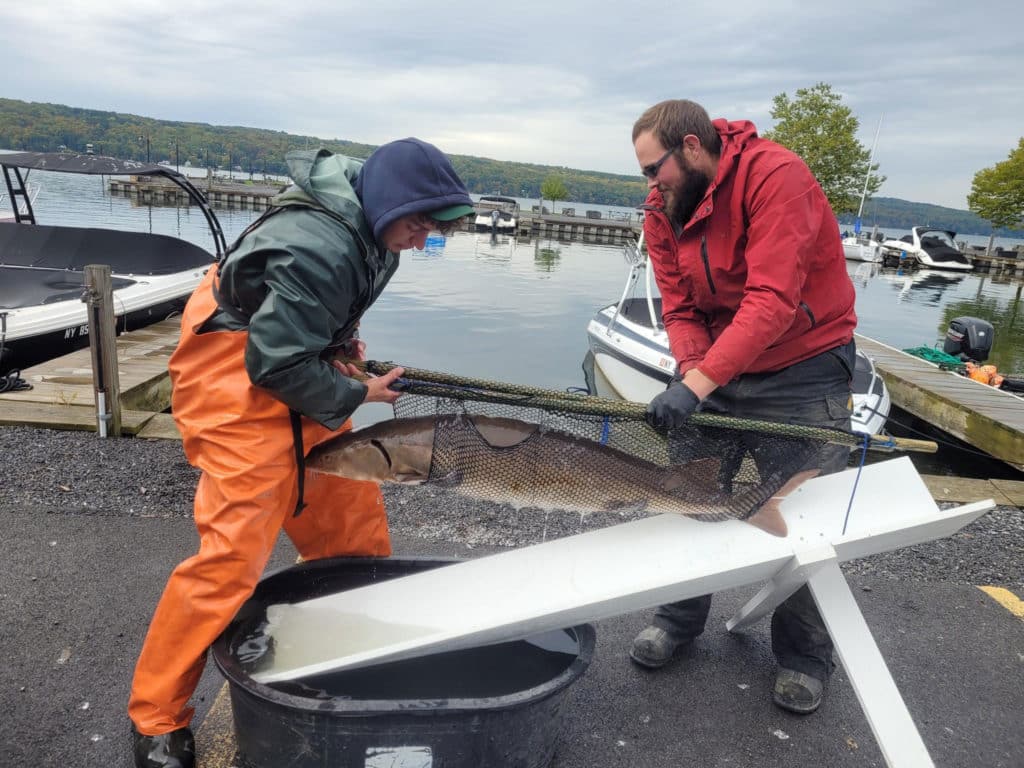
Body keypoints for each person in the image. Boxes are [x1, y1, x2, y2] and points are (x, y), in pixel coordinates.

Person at [129, 138, 475, 768]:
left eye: (436, 227)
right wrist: (358, 391)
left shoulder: (379, 231)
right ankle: (156, 718)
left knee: (355, 537)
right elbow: (273, 363)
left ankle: (352, 655)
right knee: (229, 563)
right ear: (391, 201)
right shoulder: (320, 243)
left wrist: (344, 354)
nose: (424, 238)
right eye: (420, 222)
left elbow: (323, 321)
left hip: (300, 373)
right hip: (235, 379)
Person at [629, 100, 858, 714]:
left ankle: (806, 656)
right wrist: (690, 371)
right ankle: (678, 619)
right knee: (690, 493)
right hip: (719, 363)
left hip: (805, 365)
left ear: (694, 148)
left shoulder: (777, 176)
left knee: (807, 513)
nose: (651, 185)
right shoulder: (663, 208)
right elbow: (678, 306)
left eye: (656, 170)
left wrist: (696, 384)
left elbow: (772, 299)